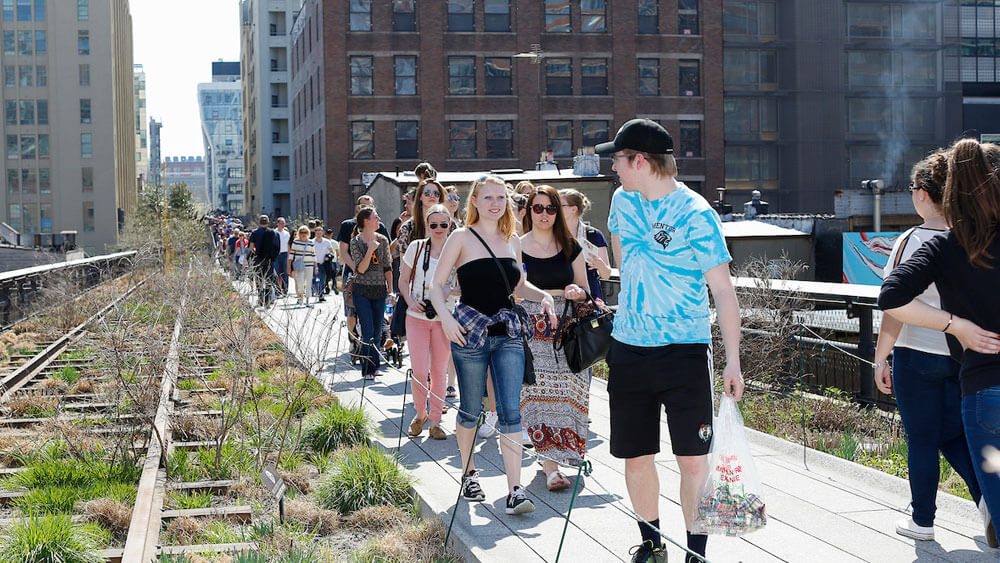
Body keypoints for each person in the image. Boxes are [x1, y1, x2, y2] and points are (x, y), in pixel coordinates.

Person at [596, 119, 744, 563]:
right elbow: (624, 261)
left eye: (618, 160)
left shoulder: (697, 214)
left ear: (640, 160)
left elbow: (723, 291)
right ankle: (651, 545)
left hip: (684, 351)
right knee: (636, 456)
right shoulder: (622, 201)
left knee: (693, 461)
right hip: (628, 348)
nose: (614, 169)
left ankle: (694, 553)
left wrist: (732, 361)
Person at [879, 138, 1000, 549]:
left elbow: (892, 303)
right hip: (961, 365)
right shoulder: (968, 239)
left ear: (927, 194)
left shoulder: (927, 244)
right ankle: (986, 502)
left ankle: (923, 519)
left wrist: (883, 357)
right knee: (954, 436)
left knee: (924, 439)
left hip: (932, 359)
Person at [429, 175, 557, 516]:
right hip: (468, 331)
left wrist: (543, 295)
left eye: (500, 197)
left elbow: (519, 286)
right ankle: (469, 473)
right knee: (471, 408)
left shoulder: (511, 240)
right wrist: (446, 318)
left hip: (507, 331)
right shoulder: (461, 237)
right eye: (488, 198)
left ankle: (514, 489)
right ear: (475, 201)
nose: (495, 203)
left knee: (511, 410)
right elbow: (436, 286)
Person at [519, 185, 591, 491]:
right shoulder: (516, 246)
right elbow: (514, 287)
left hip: (567, 328)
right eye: (539, 208)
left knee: (570, 393)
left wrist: (576, 292)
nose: (545, 214)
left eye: (551, 208)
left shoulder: (570, 245)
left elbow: (585, 287)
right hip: (532, 328)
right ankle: (550, 466)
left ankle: (566, 454)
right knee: (538, 396)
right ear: (529, 211)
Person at [401, 204, 456, 440]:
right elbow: (403, 280)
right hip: (417, 317)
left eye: (444, 224)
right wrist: (411, 300)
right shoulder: (416, 247)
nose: (439, 229)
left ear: (450, 225)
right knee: (421, 371)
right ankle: (420, 413)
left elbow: (465, 286)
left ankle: (435, 421)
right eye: (434, 224)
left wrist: (448, 292)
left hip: (444, 317)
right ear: (427, 225)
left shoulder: (457, 250)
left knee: (439, 371)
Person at [350, 207, 393, 381]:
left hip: (379, 291)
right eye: (375, 216)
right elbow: (360, 269)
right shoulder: (355, 242)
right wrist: (369, 250)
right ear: (366, 221)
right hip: (362, 290)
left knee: (376, 331)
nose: (378, 219)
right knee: (367, 331)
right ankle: (366, 369)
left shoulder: (383, 240)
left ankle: (374, 367)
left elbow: (387, 267)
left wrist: (391, 289)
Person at [338, 195, 390, 339]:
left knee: (376, 313)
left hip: (375, 277)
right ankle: (353, 339)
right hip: (352, 272)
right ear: (357, 208)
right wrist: (359, 269)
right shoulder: (347, 225)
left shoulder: (380, 227)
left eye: (370, 207)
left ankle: (376, 342)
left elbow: (387, 251)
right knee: (351, 311)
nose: (366, 209)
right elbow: (344, 252)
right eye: (363, 206)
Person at [560, 188, 613, 300]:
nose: (554, 209)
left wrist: (600, 265)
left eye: (560, 205)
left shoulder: (593, 234)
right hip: (560, 296)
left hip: (590, 298)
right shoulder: (552, 235)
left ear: (573, 209)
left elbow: (606, 275)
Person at [248, 215, 280, 307]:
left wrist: (256, 253)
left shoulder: (254, 232)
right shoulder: (274, 233)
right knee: (269, 280)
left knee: (259, 280)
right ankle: (267, 300)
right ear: (268, 222)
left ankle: (261, 299)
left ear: (259, 222)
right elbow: (277, 247)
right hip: (269, 260)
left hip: (259, 259)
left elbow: (251, 247)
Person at [390, 189, 416, 292]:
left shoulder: (432, 224)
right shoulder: (407, 226)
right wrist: (403, 232)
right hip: (405, 284)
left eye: (408, 202)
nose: (405, 206)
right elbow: (391, 252)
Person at [289, 225, 316, 307]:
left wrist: (316, 266)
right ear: (299, 233)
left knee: (308, 283)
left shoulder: (311, 242)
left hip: (309, 265)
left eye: (305, 232)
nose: (303, 234)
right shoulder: (295, 242)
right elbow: (291, 254)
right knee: (300, 283)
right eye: (301, 232)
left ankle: (307, 301)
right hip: (299, 265)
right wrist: (289, 266)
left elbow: (314, 255)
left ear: (308, 233)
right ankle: (301, 297)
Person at [313, 226, 333, 303]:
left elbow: (332, 251)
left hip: (324, 264)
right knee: (316, 278)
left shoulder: (327, 242)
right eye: (317, 233)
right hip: (315, 263)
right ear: (315, 233)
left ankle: (321, 294)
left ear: (322, 233)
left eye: (320, 233)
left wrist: (328, 256)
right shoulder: (312, 242)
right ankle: (317, 293)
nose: (319, 235)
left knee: (323, 280)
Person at [275, 217, 291, 296]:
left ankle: (285, 290)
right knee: (276, 273)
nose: (282, 225)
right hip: (276, 255)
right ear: (278, 224)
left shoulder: (287, 234)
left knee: (285, 273)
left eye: (284, 223)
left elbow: (289, 245)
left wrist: (289, 256)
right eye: (281, 223)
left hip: (285, 254)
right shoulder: (274, 232)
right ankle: (277, 290)